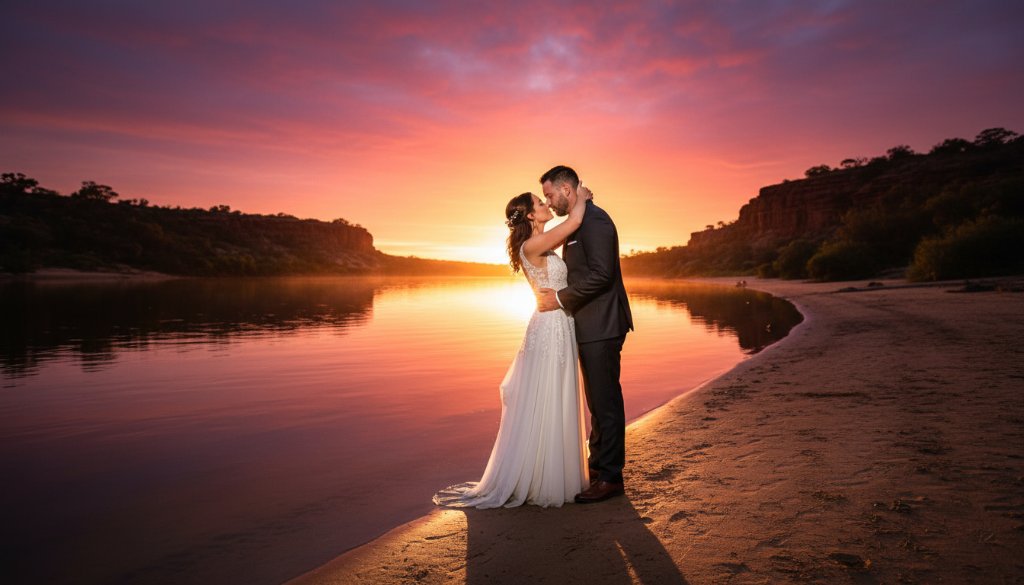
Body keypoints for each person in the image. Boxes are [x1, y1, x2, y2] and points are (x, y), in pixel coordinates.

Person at [432, 182, 594, 508]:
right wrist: (582, 196)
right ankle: (542, 479)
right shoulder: (532, 246)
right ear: (531, 214)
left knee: (555, 394)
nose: (547, 203)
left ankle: (553, 471)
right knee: (548, 394)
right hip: (549, 329)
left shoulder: (542, 245)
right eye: (540, 201)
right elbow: (574, 222)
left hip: (558, 325)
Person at [535, 165, 633, 504]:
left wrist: (560, 299)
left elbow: (603, 275)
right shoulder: (581, 218)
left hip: (603, 325)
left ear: (566, 189)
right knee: (597, 400)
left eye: (550, 194)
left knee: (605, 402)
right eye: (544, 197)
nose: (549, 200)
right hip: (589, 325)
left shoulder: (597, 221)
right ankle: (598, 470)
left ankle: (610, 478)